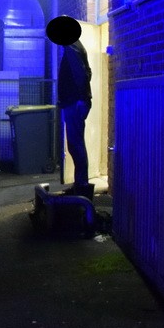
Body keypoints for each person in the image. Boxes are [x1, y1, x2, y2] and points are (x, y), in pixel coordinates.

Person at [46, 15, 93, 198]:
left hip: (75, 102)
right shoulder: (76, 46)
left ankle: (81, 188)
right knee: (76, 144)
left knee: (75, 145)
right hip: (76, 101)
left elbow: (80, 74)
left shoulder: (71, 46)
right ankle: (80, 186)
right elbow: (86, 72)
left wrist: (79, 97)